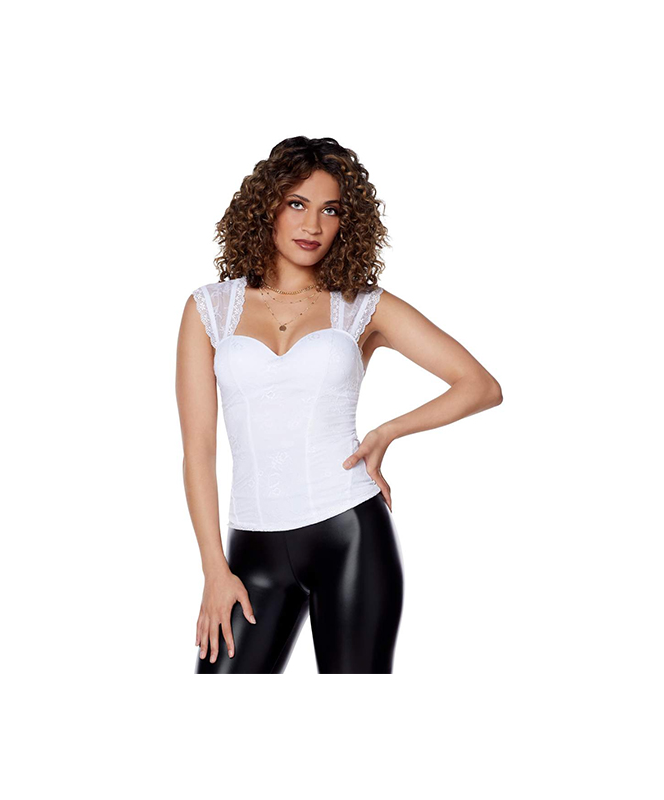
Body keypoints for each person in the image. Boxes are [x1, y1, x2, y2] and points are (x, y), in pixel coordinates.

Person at [176, 136, 503, 674]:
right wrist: (214, 568)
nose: (312, 225)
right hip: (251, 550)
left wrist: (386, 432)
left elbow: (480, 385)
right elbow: (198, 448)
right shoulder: (210, 308)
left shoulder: (362, 305)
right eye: (297, 204)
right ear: (266, 207)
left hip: (350, 533)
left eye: (330, 210)